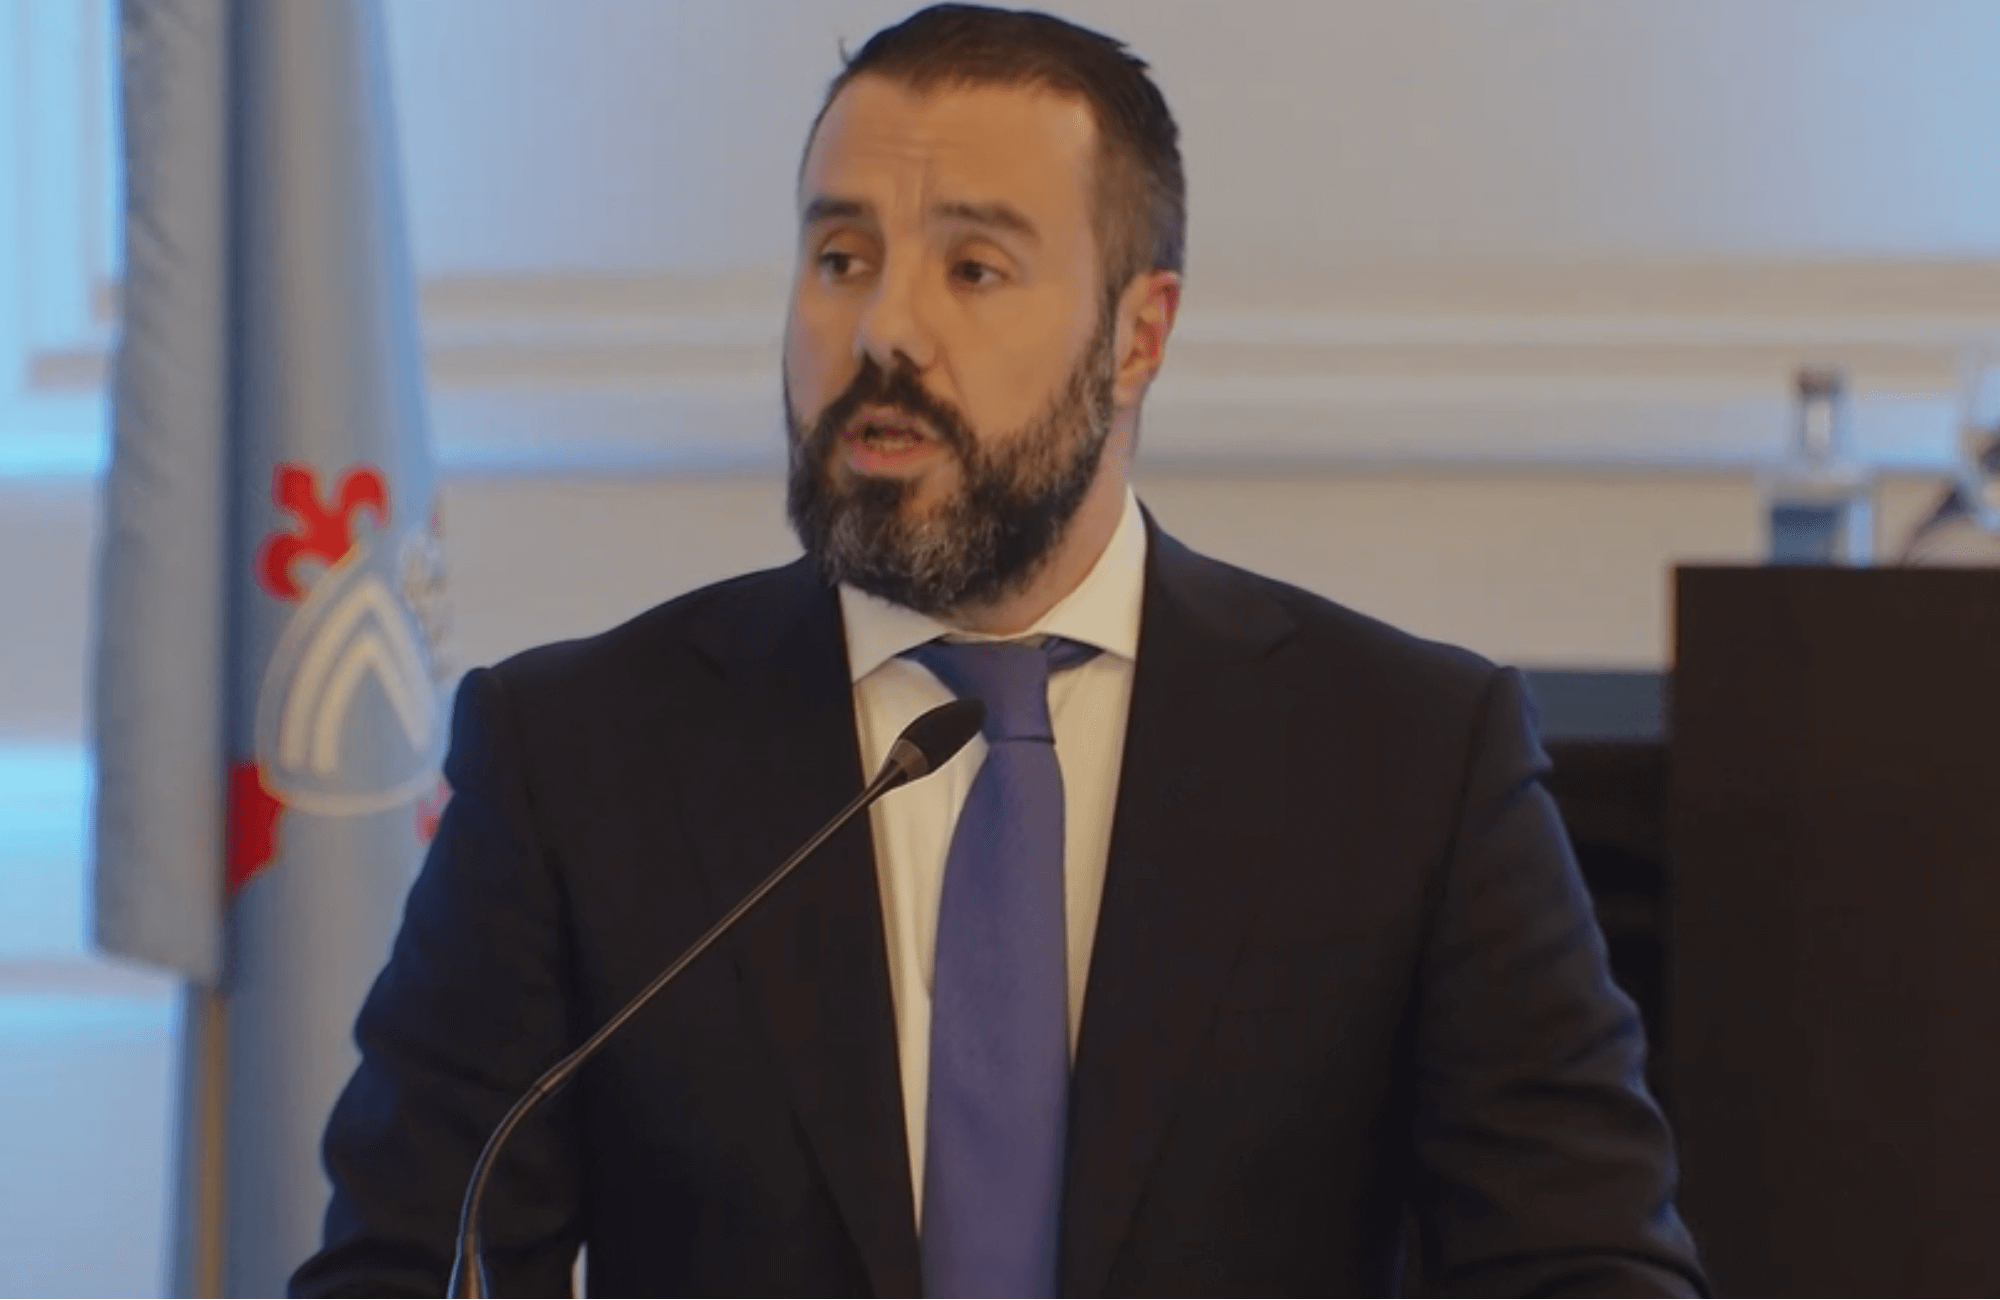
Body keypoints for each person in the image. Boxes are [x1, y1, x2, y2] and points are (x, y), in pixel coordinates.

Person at [292, 6, 1705, 1295]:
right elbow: (402, 1269)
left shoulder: (1407, 764)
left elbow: (1589, 1270)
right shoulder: (576, 761)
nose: (884, 330)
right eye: (841, 259)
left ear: (1138, 335)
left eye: (974, 268)